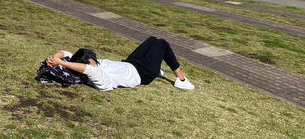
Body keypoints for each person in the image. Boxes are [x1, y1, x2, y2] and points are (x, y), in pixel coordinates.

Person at [44, 36, 195, 91]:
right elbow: (89, 70)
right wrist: (61, 64)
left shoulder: (91, 64)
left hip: (131, 64)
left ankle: (157, 67)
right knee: (162, 44)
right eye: (92, 58)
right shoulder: (100, 78)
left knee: (152, 40)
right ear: (89, 62)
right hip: (143, 74)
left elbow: (67, 53)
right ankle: (181, 79)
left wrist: (54, 58)